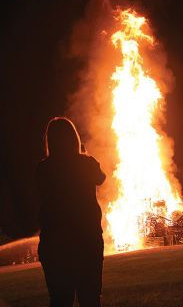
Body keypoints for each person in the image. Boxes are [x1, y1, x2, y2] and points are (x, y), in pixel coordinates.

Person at [36, 117, 106, 307]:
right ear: (74, 138)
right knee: (90, 297)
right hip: (87, 240)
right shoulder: (86, 163)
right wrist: (85, 157)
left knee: (60, 300)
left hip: (54, 244)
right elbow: (101, 178)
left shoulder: (43, 168)